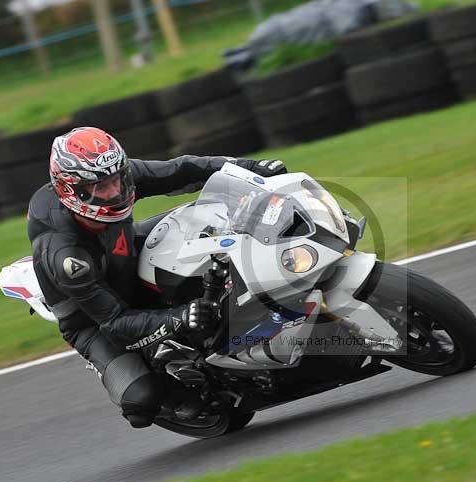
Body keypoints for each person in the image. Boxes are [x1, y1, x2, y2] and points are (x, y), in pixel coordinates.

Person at [28, 126, 287, 428]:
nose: (115, 192)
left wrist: (249, 168)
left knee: (207, 225)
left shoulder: (112, 177)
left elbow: (181, 170)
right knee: (141, 401)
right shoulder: (66, 254)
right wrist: (179, 317)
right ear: (72, 189)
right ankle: (177, 388)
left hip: (123, 251)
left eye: (117, 180)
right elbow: (115, 321)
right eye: (103, 188)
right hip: (93, 318)